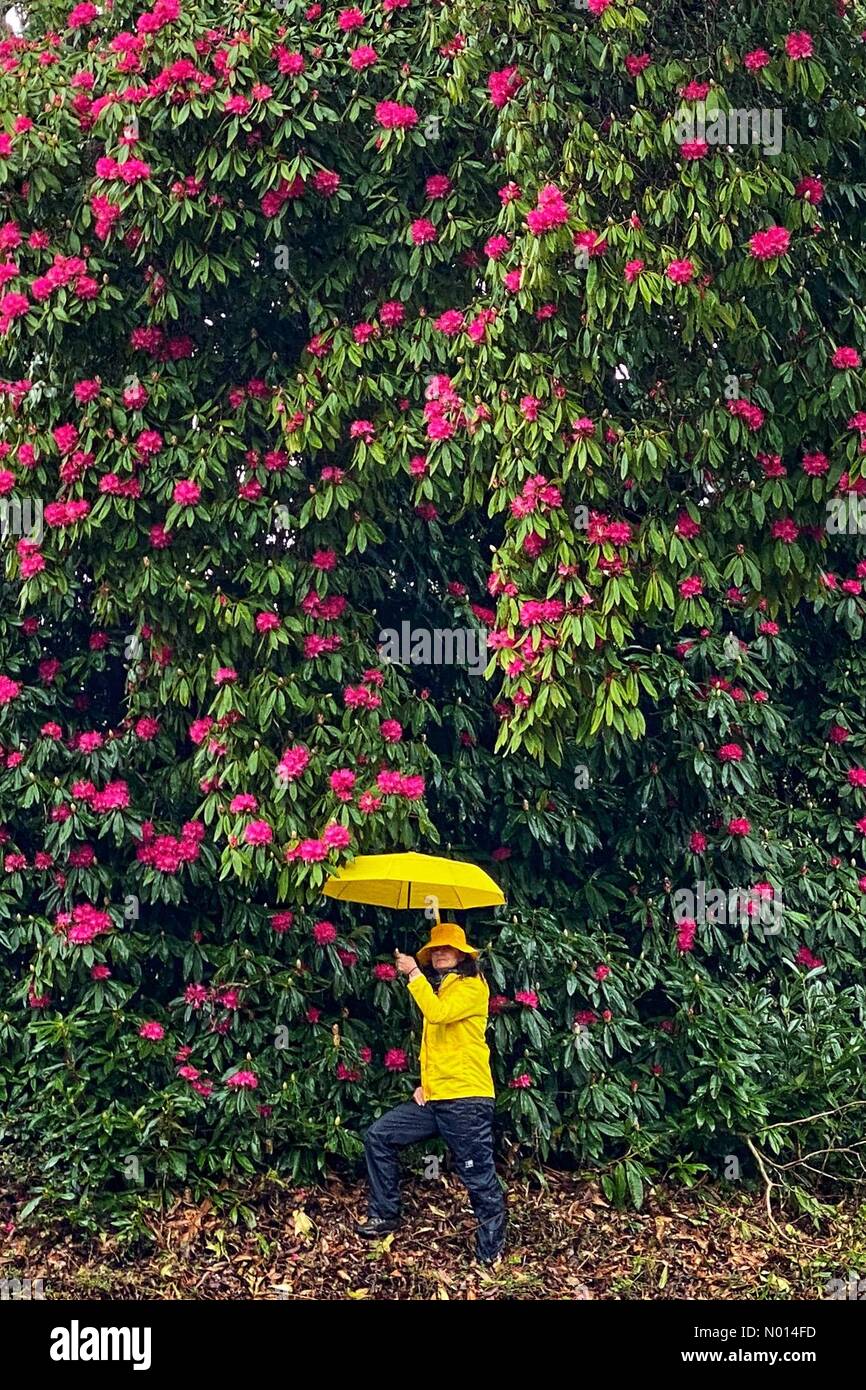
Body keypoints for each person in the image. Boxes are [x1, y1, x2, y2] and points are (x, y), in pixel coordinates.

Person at [356, 921, 506, 1266]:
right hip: (436, 1097)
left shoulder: (471, 986)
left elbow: (438, 1017)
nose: (439, 953)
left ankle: (490, 1252)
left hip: (466, 1098)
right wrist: (425, 1084)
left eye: (446, 948)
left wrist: (412, 974)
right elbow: (439, 1047)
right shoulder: (441, 988)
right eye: (434, 949)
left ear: (462, 954)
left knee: (476, 1173)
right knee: (379, 1136)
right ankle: (384, 1216)